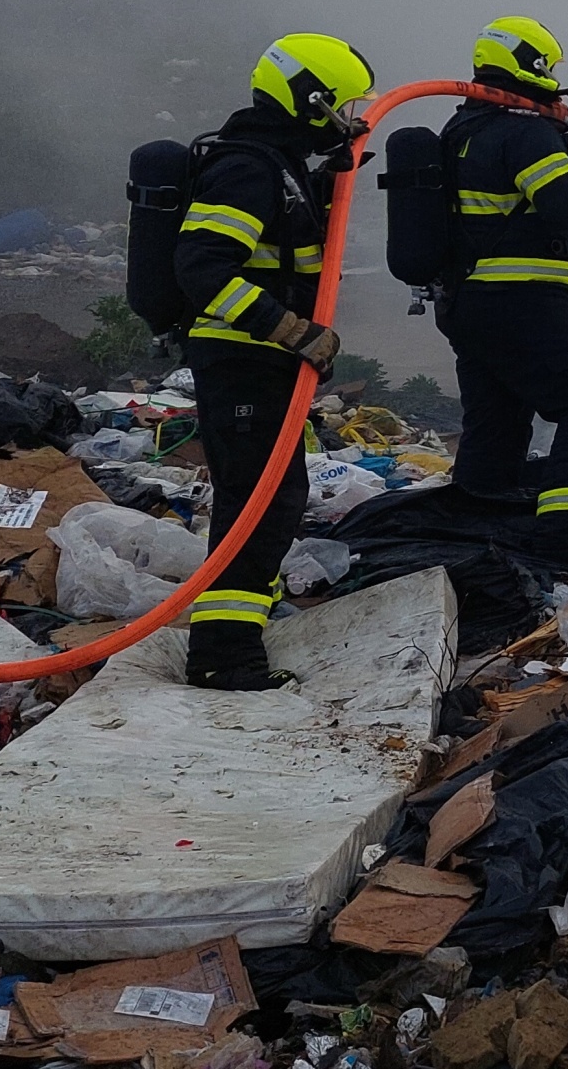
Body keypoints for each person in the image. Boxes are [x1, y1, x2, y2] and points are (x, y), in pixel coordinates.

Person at [172, 33, 371, 690]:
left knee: (271, 499)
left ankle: (235, 640)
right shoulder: (248, 168)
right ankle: (223, 657)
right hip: (242, 359)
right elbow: (203, 267)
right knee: (257, 504)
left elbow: (285, 245)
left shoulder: (276, 165)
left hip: (260, 362)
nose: (347, 118)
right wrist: (290, 330)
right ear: (311, 100)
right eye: (342, 105)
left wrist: (331, 179)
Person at [435, 16, 568, 533]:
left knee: (497, 420)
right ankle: (567, 535)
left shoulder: (463, 129)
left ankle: (479, 526)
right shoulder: (523, 131)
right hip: (522, 300)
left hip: (467, 304)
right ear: (533, 66)